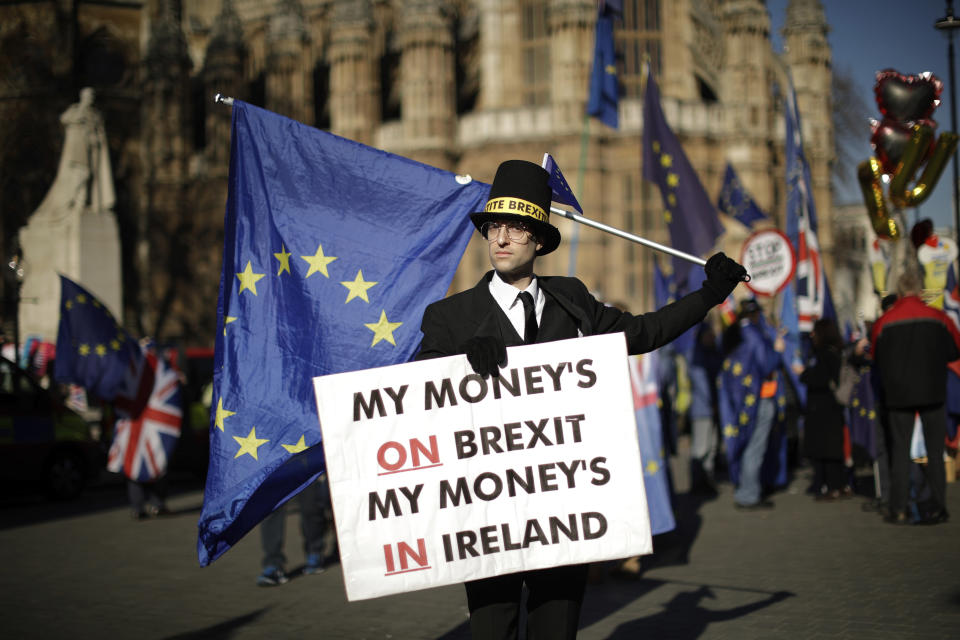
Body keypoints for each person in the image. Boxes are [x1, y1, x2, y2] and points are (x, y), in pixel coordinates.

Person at [414, 159, 745, 639]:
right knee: (492, 631)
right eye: (493, 228)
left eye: (516, 227)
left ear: (539, 238)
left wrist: (710, 295)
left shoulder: (572, 301)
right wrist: (460, 362)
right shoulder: (449, 316)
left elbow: (643, 332)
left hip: (563, 511)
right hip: (490, 515)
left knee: (557, 630)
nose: (501, 239)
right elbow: (419, 398)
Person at [871, 268, 960, 525]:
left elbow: (876, 355)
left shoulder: (885, 322)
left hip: (898, 394)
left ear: (899, 291)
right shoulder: (939, 318)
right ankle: (938, 507)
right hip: (933, 391)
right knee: (934, 452)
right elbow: (955, 350)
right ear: (920, 290)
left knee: (900, 451)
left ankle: (898, 508)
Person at [719, 298, 786, 510]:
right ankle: (748, 494)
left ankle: (748, 489)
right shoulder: (754, 335)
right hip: (760, 397)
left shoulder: (733, 333)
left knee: (748, 443)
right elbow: (767, 364)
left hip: (741, 399)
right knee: (754, 446)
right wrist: (777, 349)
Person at [797, 318, 846, 500]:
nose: (811, 336)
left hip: (825, 408)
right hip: (823, 408)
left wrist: (804, 374)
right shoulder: (823, 353)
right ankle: (826, 483)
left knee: (827, 449)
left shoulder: (826, 354)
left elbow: (817, 377)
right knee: (824, 449)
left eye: (815, 332)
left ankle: (831, 485)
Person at [256, 478, 330, 586]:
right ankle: (273, 564)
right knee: (271, 508)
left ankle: (314, 551)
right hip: (275, 465)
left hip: (304, 463)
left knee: (311, 505)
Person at [688, 321, 722, 495]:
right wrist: (713, 402)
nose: (712, 337)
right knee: (701, 447)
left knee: (712, 446)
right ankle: (697, 482)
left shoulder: (714, 353)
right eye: (709, 334)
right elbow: (701, 383)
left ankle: (707, 479)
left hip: (714, 407)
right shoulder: (697, 356)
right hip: (702, 409)